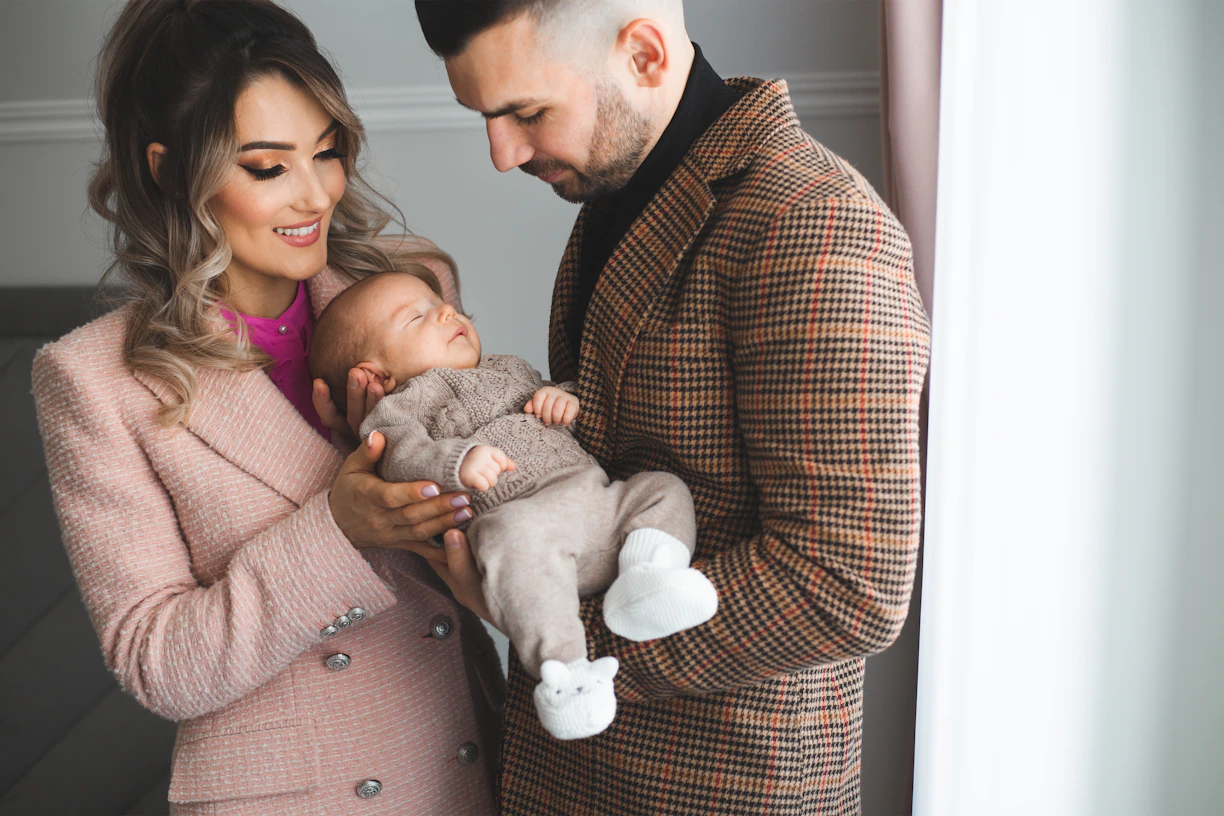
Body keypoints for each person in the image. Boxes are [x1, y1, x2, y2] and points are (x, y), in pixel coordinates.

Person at [413, 1, 933, 813]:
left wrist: (563, 640)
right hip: (576, 774)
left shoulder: (814, 226)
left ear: (646, 55)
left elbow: (845, 584)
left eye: (526, 112)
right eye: (486, 117)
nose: (501, 153)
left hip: (720, 784)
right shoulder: (620, 190)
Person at [31, 1, 502, 812]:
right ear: (168, 170)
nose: (315, 194)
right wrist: (338, 527)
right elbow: (159, 662)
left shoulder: (412, 289)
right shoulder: (91, 380)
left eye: (327, 152)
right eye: (266, 166)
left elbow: (498, 499)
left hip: (469, 757)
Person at [308, 268, 718, 740]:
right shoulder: (399, 409)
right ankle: (567, 673)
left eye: (445, 305)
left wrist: (559, 397)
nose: (447, 310)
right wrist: (456, 462)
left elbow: (548, 400)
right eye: (418, 316)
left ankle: (651, 574)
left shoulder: (506, 368)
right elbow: (401, 457)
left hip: (597, 503)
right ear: (376, 374)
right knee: (511, 538)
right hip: (527, 526)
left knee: (661, 489)